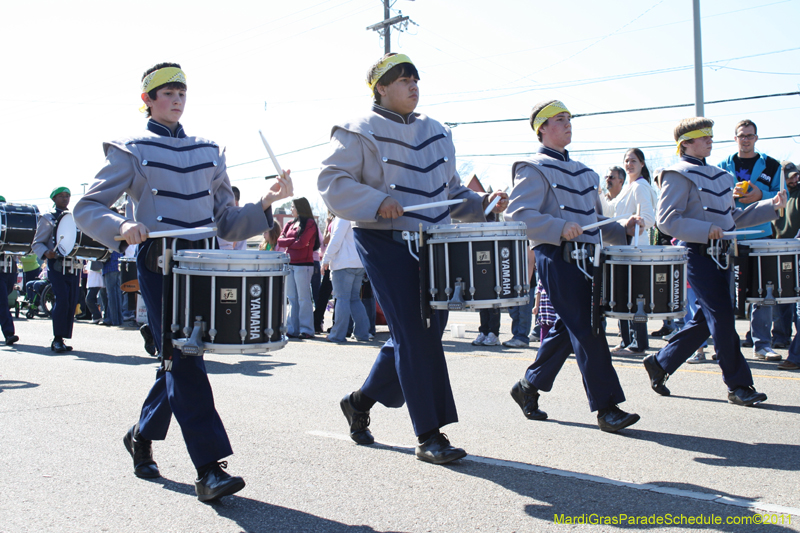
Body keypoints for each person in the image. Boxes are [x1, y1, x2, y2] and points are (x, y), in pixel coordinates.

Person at [74, 62, 293, 502]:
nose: (176, 98)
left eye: (182, 92)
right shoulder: (131, 149)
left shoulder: (208, 151)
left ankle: (141, 434)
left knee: (178, 357)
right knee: (185, 358)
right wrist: (121, 226)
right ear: (148, 101)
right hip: (160, 261)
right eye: (167, 92)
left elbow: (227, 223)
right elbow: (87, 206)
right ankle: (209, 469)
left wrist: (266, 201)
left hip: (204, 262)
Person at [318, 53, 508, 464]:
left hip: (436, 243)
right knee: (416, 333)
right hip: (384, 240)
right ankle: (429, 434)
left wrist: (481, 204)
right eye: (403, 80)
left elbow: (451, 192)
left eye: (415, 79)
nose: (413, 86)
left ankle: (360, 401)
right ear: (380, 88)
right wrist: (377, 199)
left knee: (421, 333)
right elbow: (332, 184)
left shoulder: (437, 131)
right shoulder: (356, 130)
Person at [506, 99, 643, 433]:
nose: (568, 123)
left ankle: (528, 386)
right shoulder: (531, 167)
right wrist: (557, 227)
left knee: (572, 326)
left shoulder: (585, 172)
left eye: (569, 118)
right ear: (541, 128)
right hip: (556, 257)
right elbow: (518, 216)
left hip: (589, 258)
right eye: (559, 119)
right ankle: (607, 406)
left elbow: (593, 221)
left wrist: (620, 227)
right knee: (588, 328)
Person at [644, 117, 785, 407]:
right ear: (685, 143)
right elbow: (666, 221)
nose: (709, 139)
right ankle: (739, 385)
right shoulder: (675, 174)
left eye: (710, 135)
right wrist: (704, 230)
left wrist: (770, 206)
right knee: (721, 317)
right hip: (696, 253)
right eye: (702, 136)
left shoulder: (721, 176)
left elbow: (732, 220)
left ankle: (660, 362)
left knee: (707, 320)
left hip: (723, 254)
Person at [718, 120, 783, 360]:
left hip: (761, 233)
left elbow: (781, 196)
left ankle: (762, 344)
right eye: (741, 136)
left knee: (762, 291)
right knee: (726, 293)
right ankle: (726, 345)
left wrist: (760, 195)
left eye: (750, 136)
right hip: (730, 235)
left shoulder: (772, 165)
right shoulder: (722, 166)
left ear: (756, 138)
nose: (745, 139)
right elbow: (713, 197)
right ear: (735, 138)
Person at [611, 148, 658, 357]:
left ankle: (639, 342)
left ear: (642, 164)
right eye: (626, 161)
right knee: (622, 295)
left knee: (635, 297)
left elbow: (648, 218)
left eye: (633, 161)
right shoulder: (627, 188)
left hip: (635, 249)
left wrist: (632, 222)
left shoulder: (640, 186)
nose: (629, 164)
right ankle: (626, 339)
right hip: (621, 249)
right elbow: (610, 211)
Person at [32, 187, 80, 353]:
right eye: (61, 196)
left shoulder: (74, 218)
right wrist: (46, 252)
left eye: (67, 196)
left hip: (73, 266)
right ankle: (57, 339)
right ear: (54, 199)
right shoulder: (47, 218)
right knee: (62, 301)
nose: (65, 199)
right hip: (57, 265)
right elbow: (37, 243)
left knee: (71, 302)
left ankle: (63, 337)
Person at [322, 216, 370, 343]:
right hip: (358, 262)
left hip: (343, 263)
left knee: (342, 299)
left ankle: (337, 334)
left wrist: (326, 259)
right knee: (354, 299)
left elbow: (336, 239)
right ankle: (363, 333)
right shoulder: (355, 212)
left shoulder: (342, 215)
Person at [277, 197, 319, 339]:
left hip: (304, 265)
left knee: (303, 298)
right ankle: (292, 329)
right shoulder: (290, 223)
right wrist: (292, 241)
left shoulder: (310, 223)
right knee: (292, 298)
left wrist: (290, 243)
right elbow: (279, 241)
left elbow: (303, 243)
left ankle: (306, 329)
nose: (291, 209)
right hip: (290, 263)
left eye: (293, 207)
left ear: (300, 207)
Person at [775, 162, 800, 371]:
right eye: (789, 176)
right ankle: (779, 338)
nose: (794, 180)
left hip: (796, 250)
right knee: (781, 299)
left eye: (796, 176)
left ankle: (796, 356)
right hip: (777, 252)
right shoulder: (774, 197)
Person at [502, 245, 536, 348]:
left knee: (524, 311)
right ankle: (516, 335)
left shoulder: (527, 239)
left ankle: (522, 337)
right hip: (511, 280)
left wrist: (527, 282)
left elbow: (530, 261)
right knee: (514, 311)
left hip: (525, 280)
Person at [0, 194, 19, 345]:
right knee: (2, 302)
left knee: (3, 299)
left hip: (10, 268)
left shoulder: (10, 225)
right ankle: (9, 333)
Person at [313, 213, 335, 333]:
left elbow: (327, 239)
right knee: (326, 294)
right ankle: (317, 321)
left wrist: (327, 225)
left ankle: (317, 321)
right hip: (330, 262)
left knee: (325, 294)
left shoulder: (334, 222)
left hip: (331, 262)